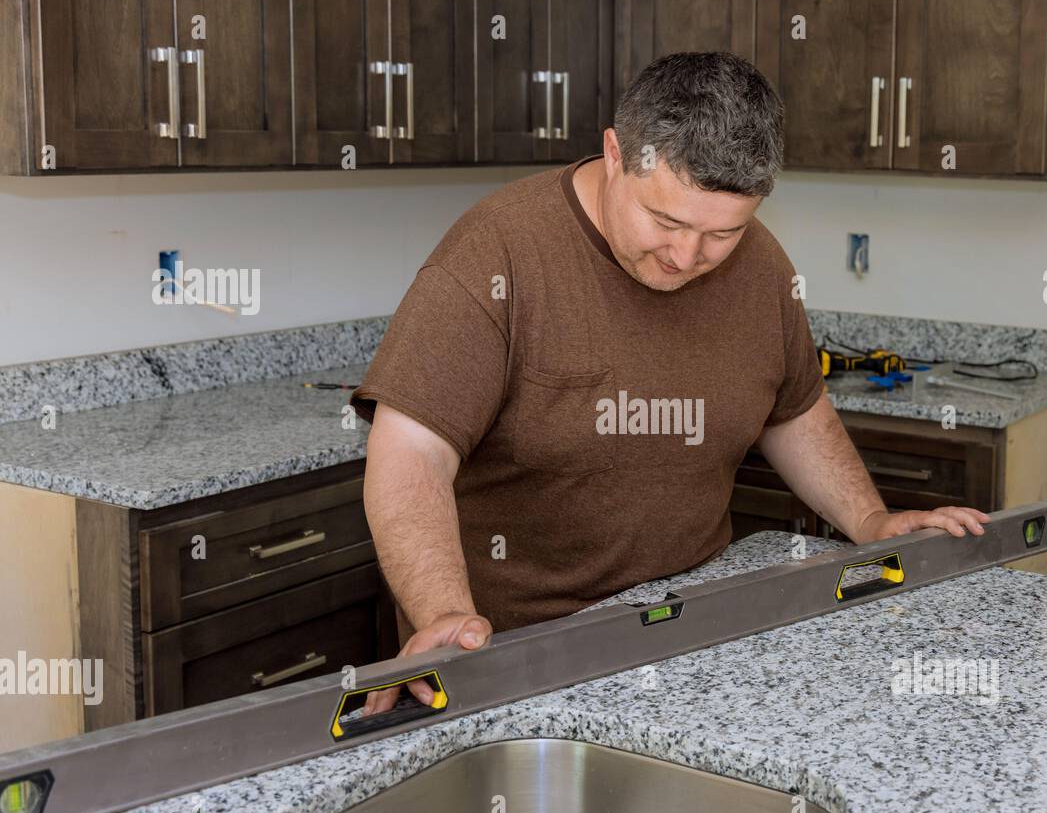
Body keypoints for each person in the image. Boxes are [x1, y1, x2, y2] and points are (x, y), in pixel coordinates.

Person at [351, 52, 989, 714]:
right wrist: (445, 615)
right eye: (667, 222)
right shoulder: (498, 253)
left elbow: (795, 411)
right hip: (514, 657)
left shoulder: (763, 265)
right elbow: (409, 454)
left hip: (694, 633)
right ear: (615, 153)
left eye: (722, 233)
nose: (687, 257)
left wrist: (871, 520)